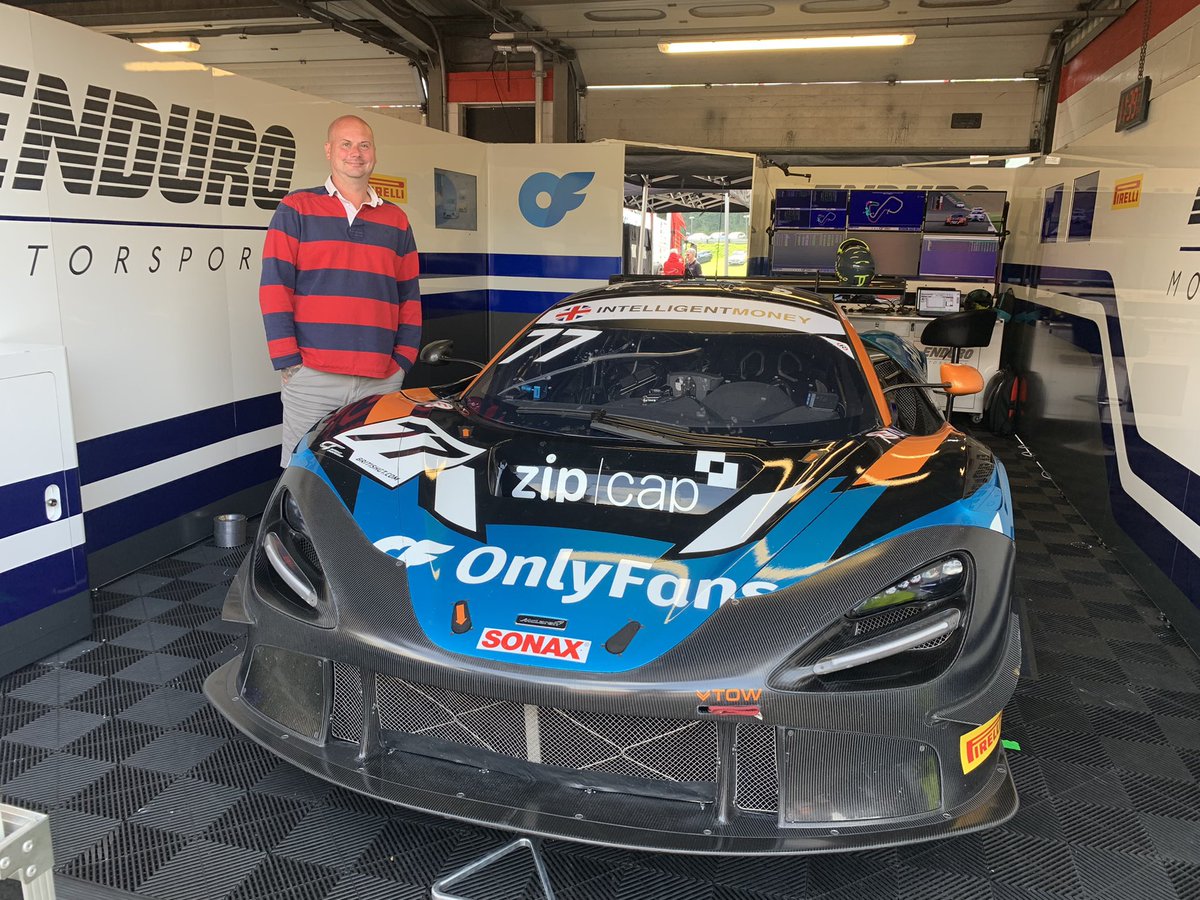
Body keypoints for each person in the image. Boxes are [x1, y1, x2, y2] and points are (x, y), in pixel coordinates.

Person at [260, 114, 421, 467]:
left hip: (380, 379)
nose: (356, 153)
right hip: (314, 376)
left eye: (364, 144)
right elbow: (275, 285)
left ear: (374, 153)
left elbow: (409, 295)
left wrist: (402, 362)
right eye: (346, 144)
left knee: (377, 474)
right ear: (329, 151)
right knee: (305, 471)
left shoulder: (396, 219)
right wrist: (289, 361)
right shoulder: (296, 208)